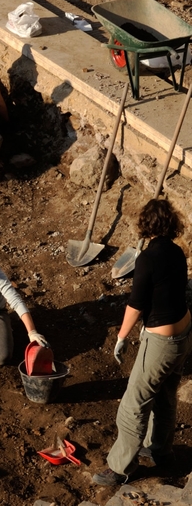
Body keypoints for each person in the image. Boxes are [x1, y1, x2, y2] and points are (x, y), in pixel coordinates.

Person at [94, 199, 192, 486]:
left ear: (145, 225)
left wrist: (121, 337)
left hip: (161, 341)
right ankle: (161, 451)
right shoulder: (177, 252)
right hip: (185, 334)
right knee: (165, 395)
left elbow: (135, 305)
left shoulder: (147, 259)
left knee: (133, 404)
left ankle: (120, 467)